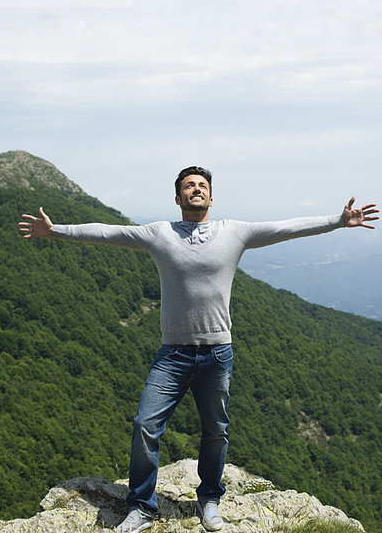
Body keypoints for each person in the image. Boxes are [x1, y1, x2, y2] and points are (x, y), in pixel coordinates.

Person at [19, 166, 378, 533]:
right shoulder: (159, 233)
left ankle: (209, 500)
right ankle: (142, 506)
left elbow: (286, 227)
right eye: (189, 186)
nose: (196, 190)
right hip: (172, 355)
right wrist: (55, 230)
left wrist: (337, 220)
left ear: (211, 196)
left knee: (216, 431)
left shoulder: (234, 232)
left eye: (202, 186)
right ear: (178, 198)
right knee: (145, 425)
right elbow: (107, 233)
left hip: (217, 353)